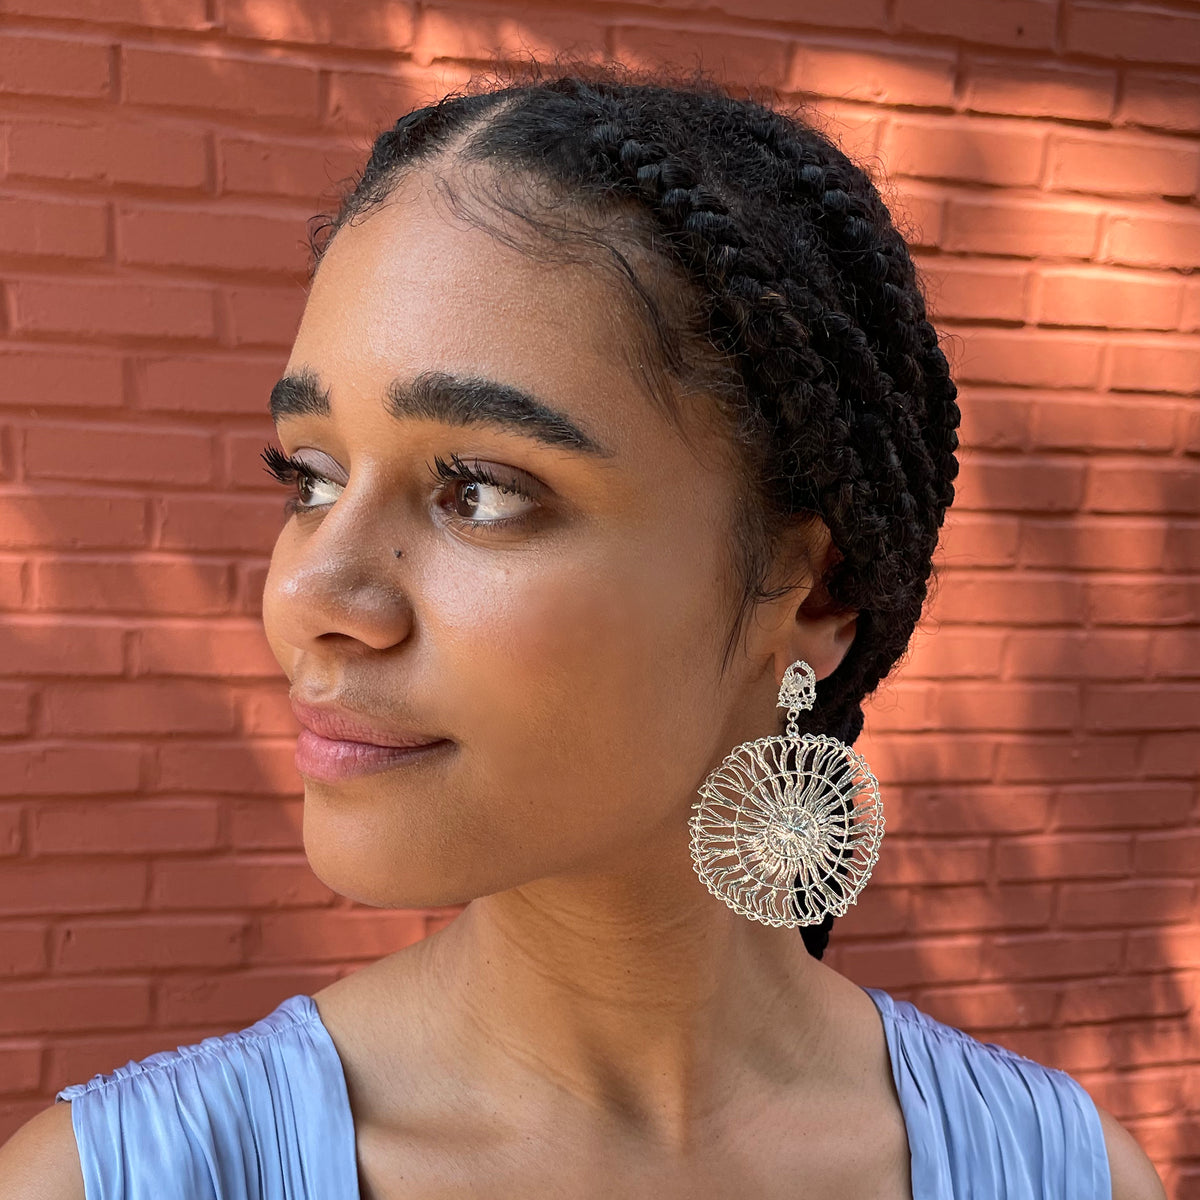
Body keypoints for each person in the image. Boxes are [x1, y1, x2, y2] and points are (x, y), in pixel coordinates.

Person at [0, 64, 1166, 1200]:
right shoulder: (118, 1179)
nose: (313, 594)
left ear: (815, 593)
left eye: (482, 490)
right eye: (308, 475)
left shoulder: (1062, 1173)